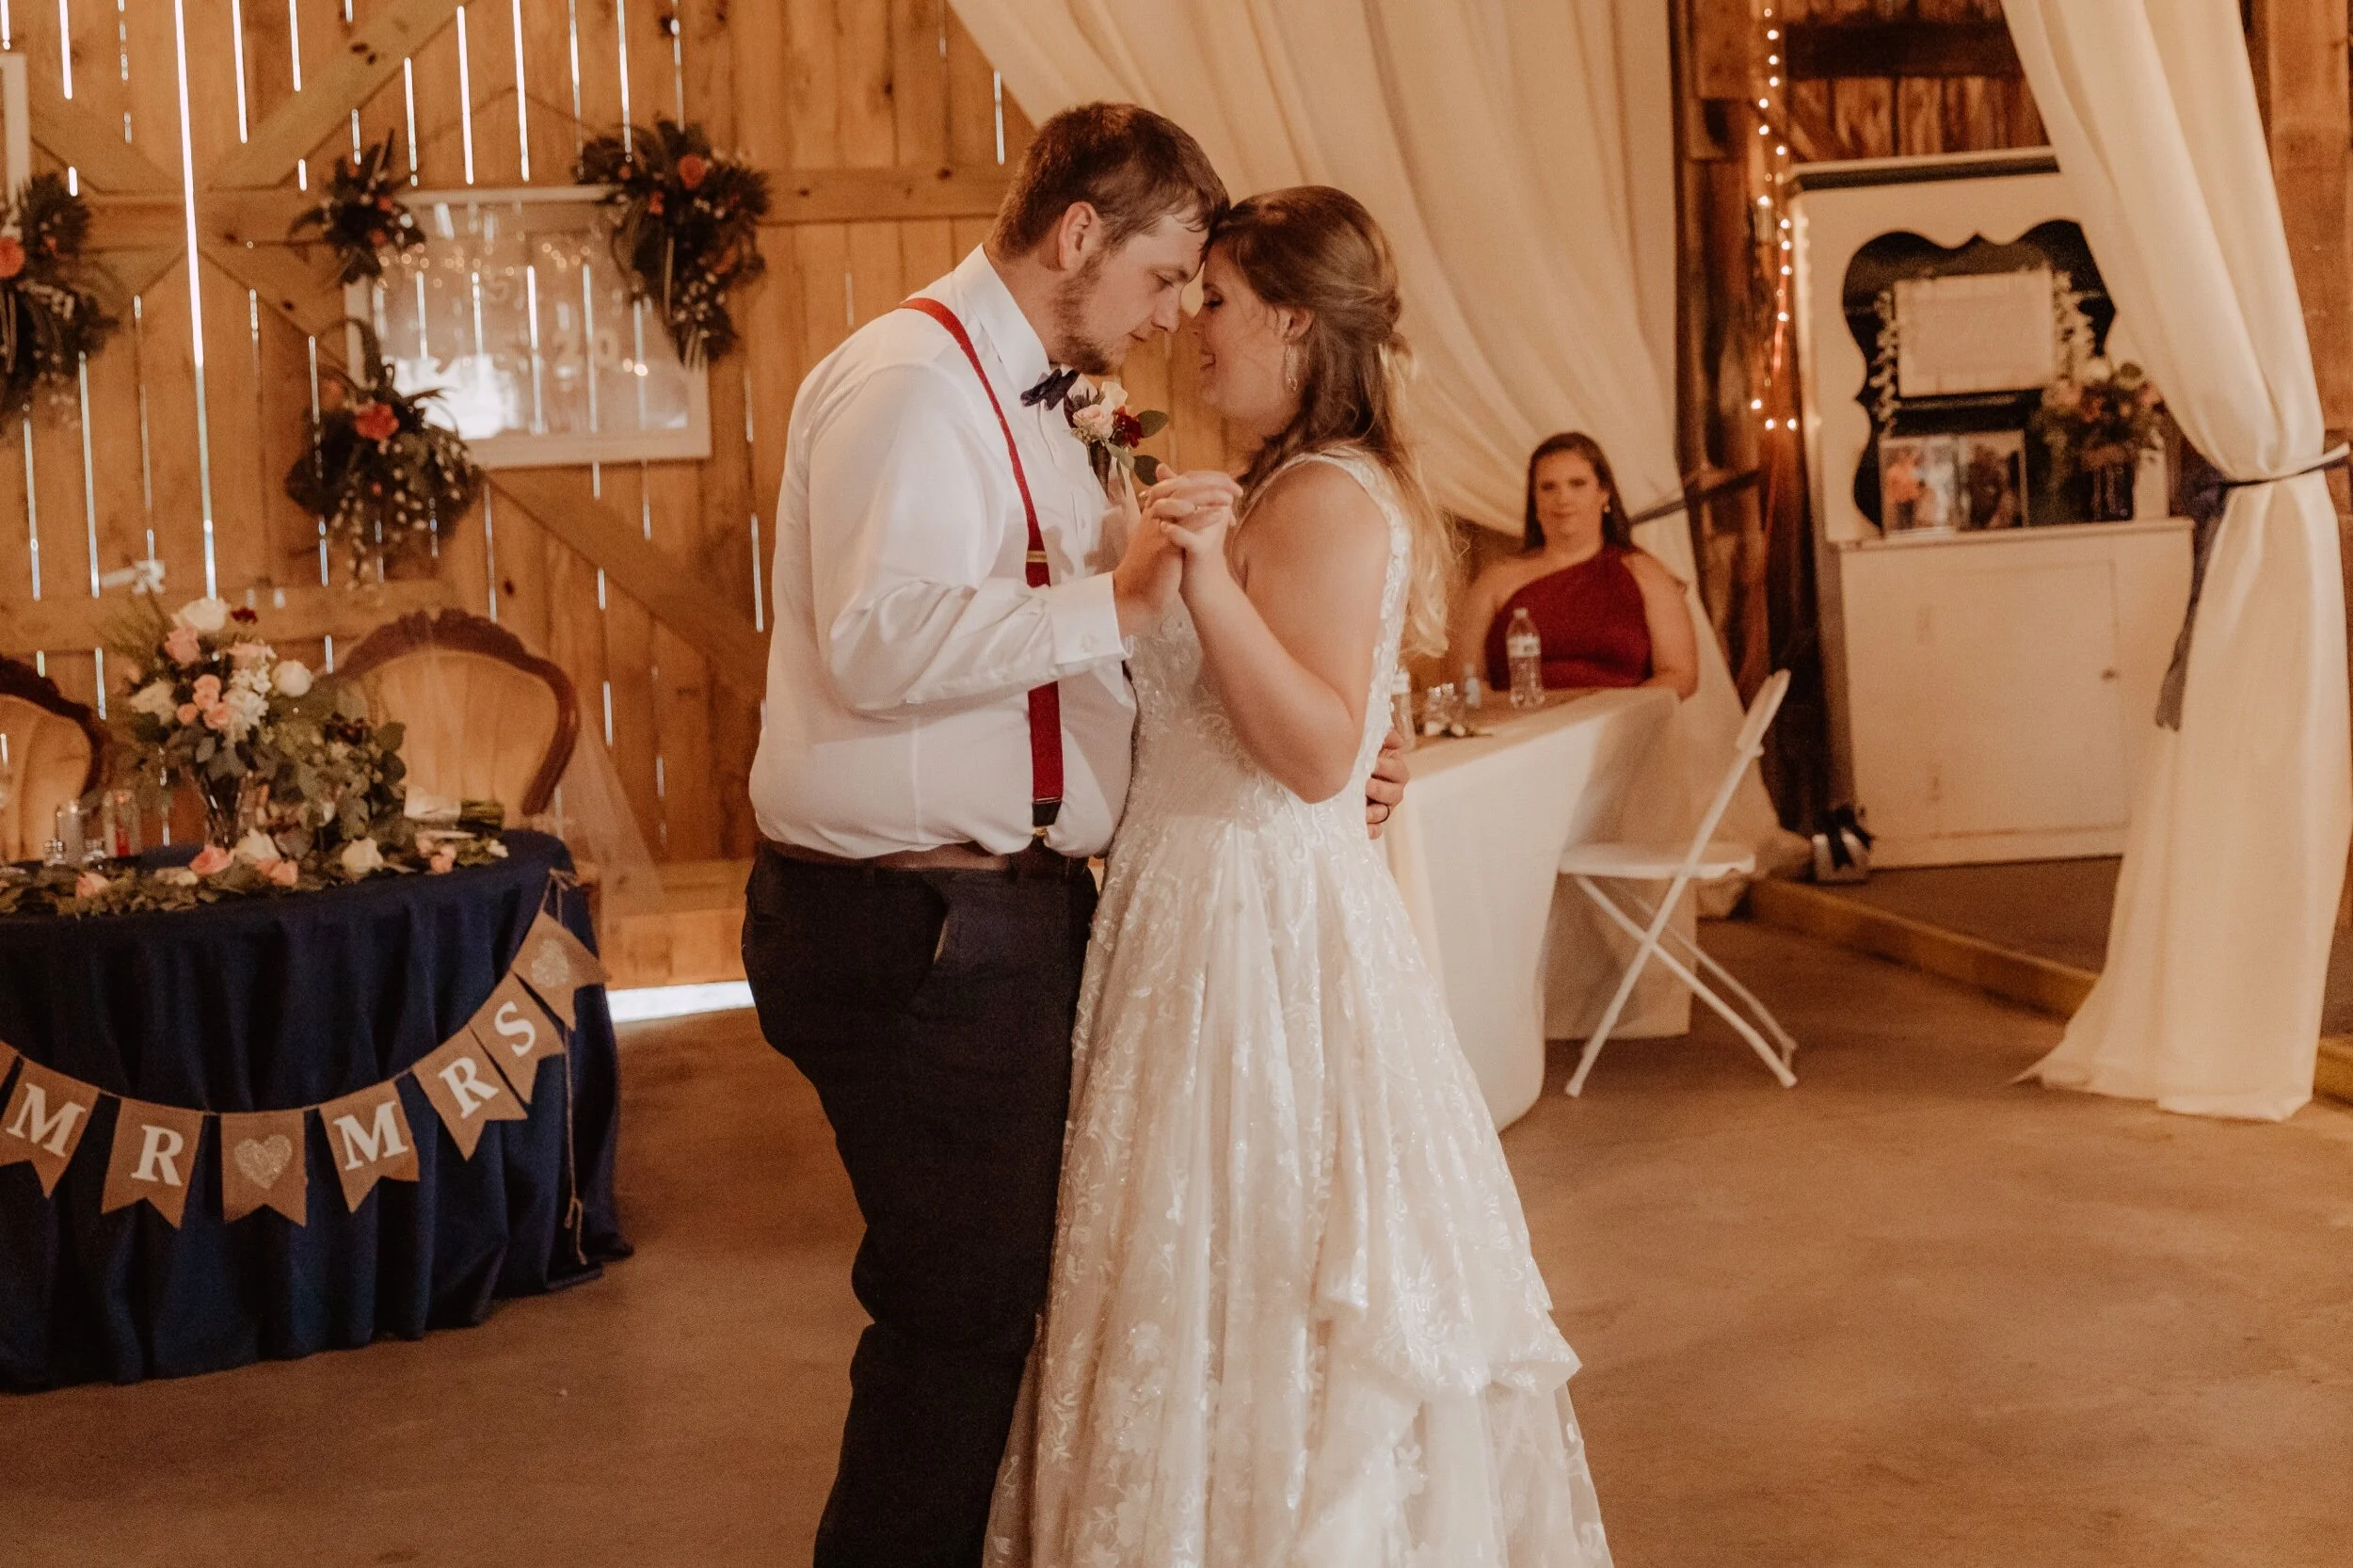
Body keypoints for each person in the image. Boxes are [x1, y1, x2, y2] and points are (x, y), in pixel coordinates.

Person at [741, 104, 1408, 1568]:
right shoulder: (914, 382)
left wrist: (1334, 735)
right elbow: (877, 641)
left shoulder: (1051, 399)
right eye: (1166, 276)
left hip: (1015, 910)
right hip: (912, 917)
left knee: (1007, 1299)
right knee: (960, 1309)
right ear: (1079, 233)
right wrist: (1122, 602)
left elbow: (1100, 668)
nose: (1173, 315)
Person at [984, 187, 1612, 1567]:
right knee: (1190, 1254)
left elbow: (1318, 753)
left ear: (1289, 321)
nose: (1191, 328)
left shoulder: (1324, 493)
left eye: (1214, 301)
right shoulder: (1286, 482)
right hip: (1190, 900)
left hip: (1249, 926)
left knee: (1255, 1257)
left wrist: (1205, 579)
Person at [1449, 432, 1700, 698]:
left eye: (1577, 484)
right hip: (1521, 722)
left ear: (1604, 493)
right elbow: (1463, 679)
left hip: (1620, 723)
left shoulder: (1645, 573)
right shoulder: (1495, 581)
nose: (1563, 498)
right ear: (1534, 500)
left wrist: (1611, 713)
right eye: (1548, 487)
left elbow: (1680, 674)